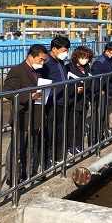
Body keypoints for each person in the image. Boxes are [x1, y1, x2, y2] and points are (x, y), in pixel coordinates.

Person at [3, 44, 48, 187]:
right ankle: (11, 176)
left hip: (36, 114)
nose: (42, 63)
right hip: (22, 115)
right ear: (30, 57)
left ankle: (27, 172)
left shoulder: (40, 71)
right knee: (17, 147)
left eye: (44, 60)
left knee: (31, 146)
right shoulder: (17, 71)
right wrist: (30, 96)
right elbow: (8, 92)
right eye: (40, 60)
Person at [41, 35, 71, 165]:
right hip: (52, 101)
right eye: (64, 50)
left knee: (60, 130)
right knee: (50, 131)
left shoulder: (60, 61)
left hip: (62, 99)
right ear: (54, 49)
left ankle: (58, 155)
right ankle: (48, 158)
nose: (66, 53)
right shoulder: (46, 62)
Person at [65, 45, 94, 157]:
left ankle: (78, 144)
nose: (85, 59)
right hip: (73, 101)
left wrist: (89, 98)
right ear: (76, 56)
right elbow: (66, 84)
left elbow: (90, 83)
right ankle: (70, 146)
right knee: (72, 124)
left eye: (87, 57)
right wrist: (75, 89)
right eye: (83, 56)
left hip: (84, 101)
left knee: (81, 124)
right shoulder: (69, 68)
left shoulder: (87, 68)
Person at [90, 41, 112, 144]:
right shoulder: (100, 62)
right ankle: (94, 139)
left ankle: (101, 136)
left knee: (104, 115)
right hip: (102, 93)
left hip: (110, 91)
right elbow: (95, 78)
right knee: (98, 116)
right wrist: (99, 90)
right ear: (107, 51)